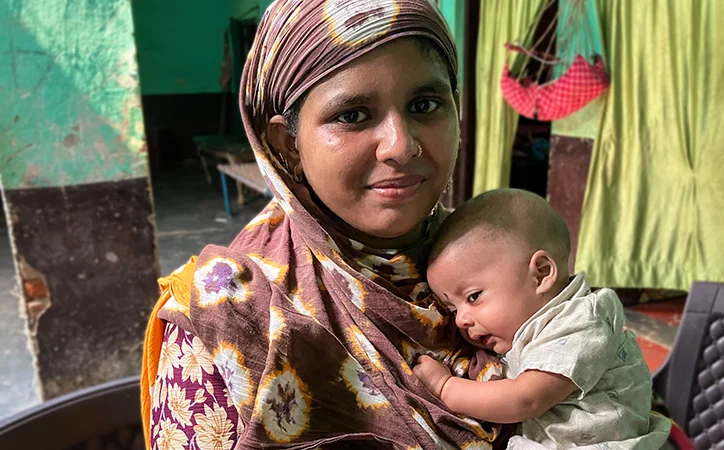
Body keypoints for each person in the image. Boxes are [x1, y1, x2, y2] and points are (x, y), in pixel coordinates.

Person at [140, 1, 507, 449]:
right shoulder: (229, 316)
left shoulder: (502, 255)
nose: (400, 145)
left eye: (425, 104)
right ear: (288, 145)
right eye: (352, 115)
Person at [413, 189, 674, 449]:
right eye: (453, 309)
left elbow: (525, 400)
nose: (461, 321)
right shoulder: (533, 324)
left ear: (541, 273)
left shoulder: (579, 324)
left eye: (473, 297)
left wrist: (444, 386)